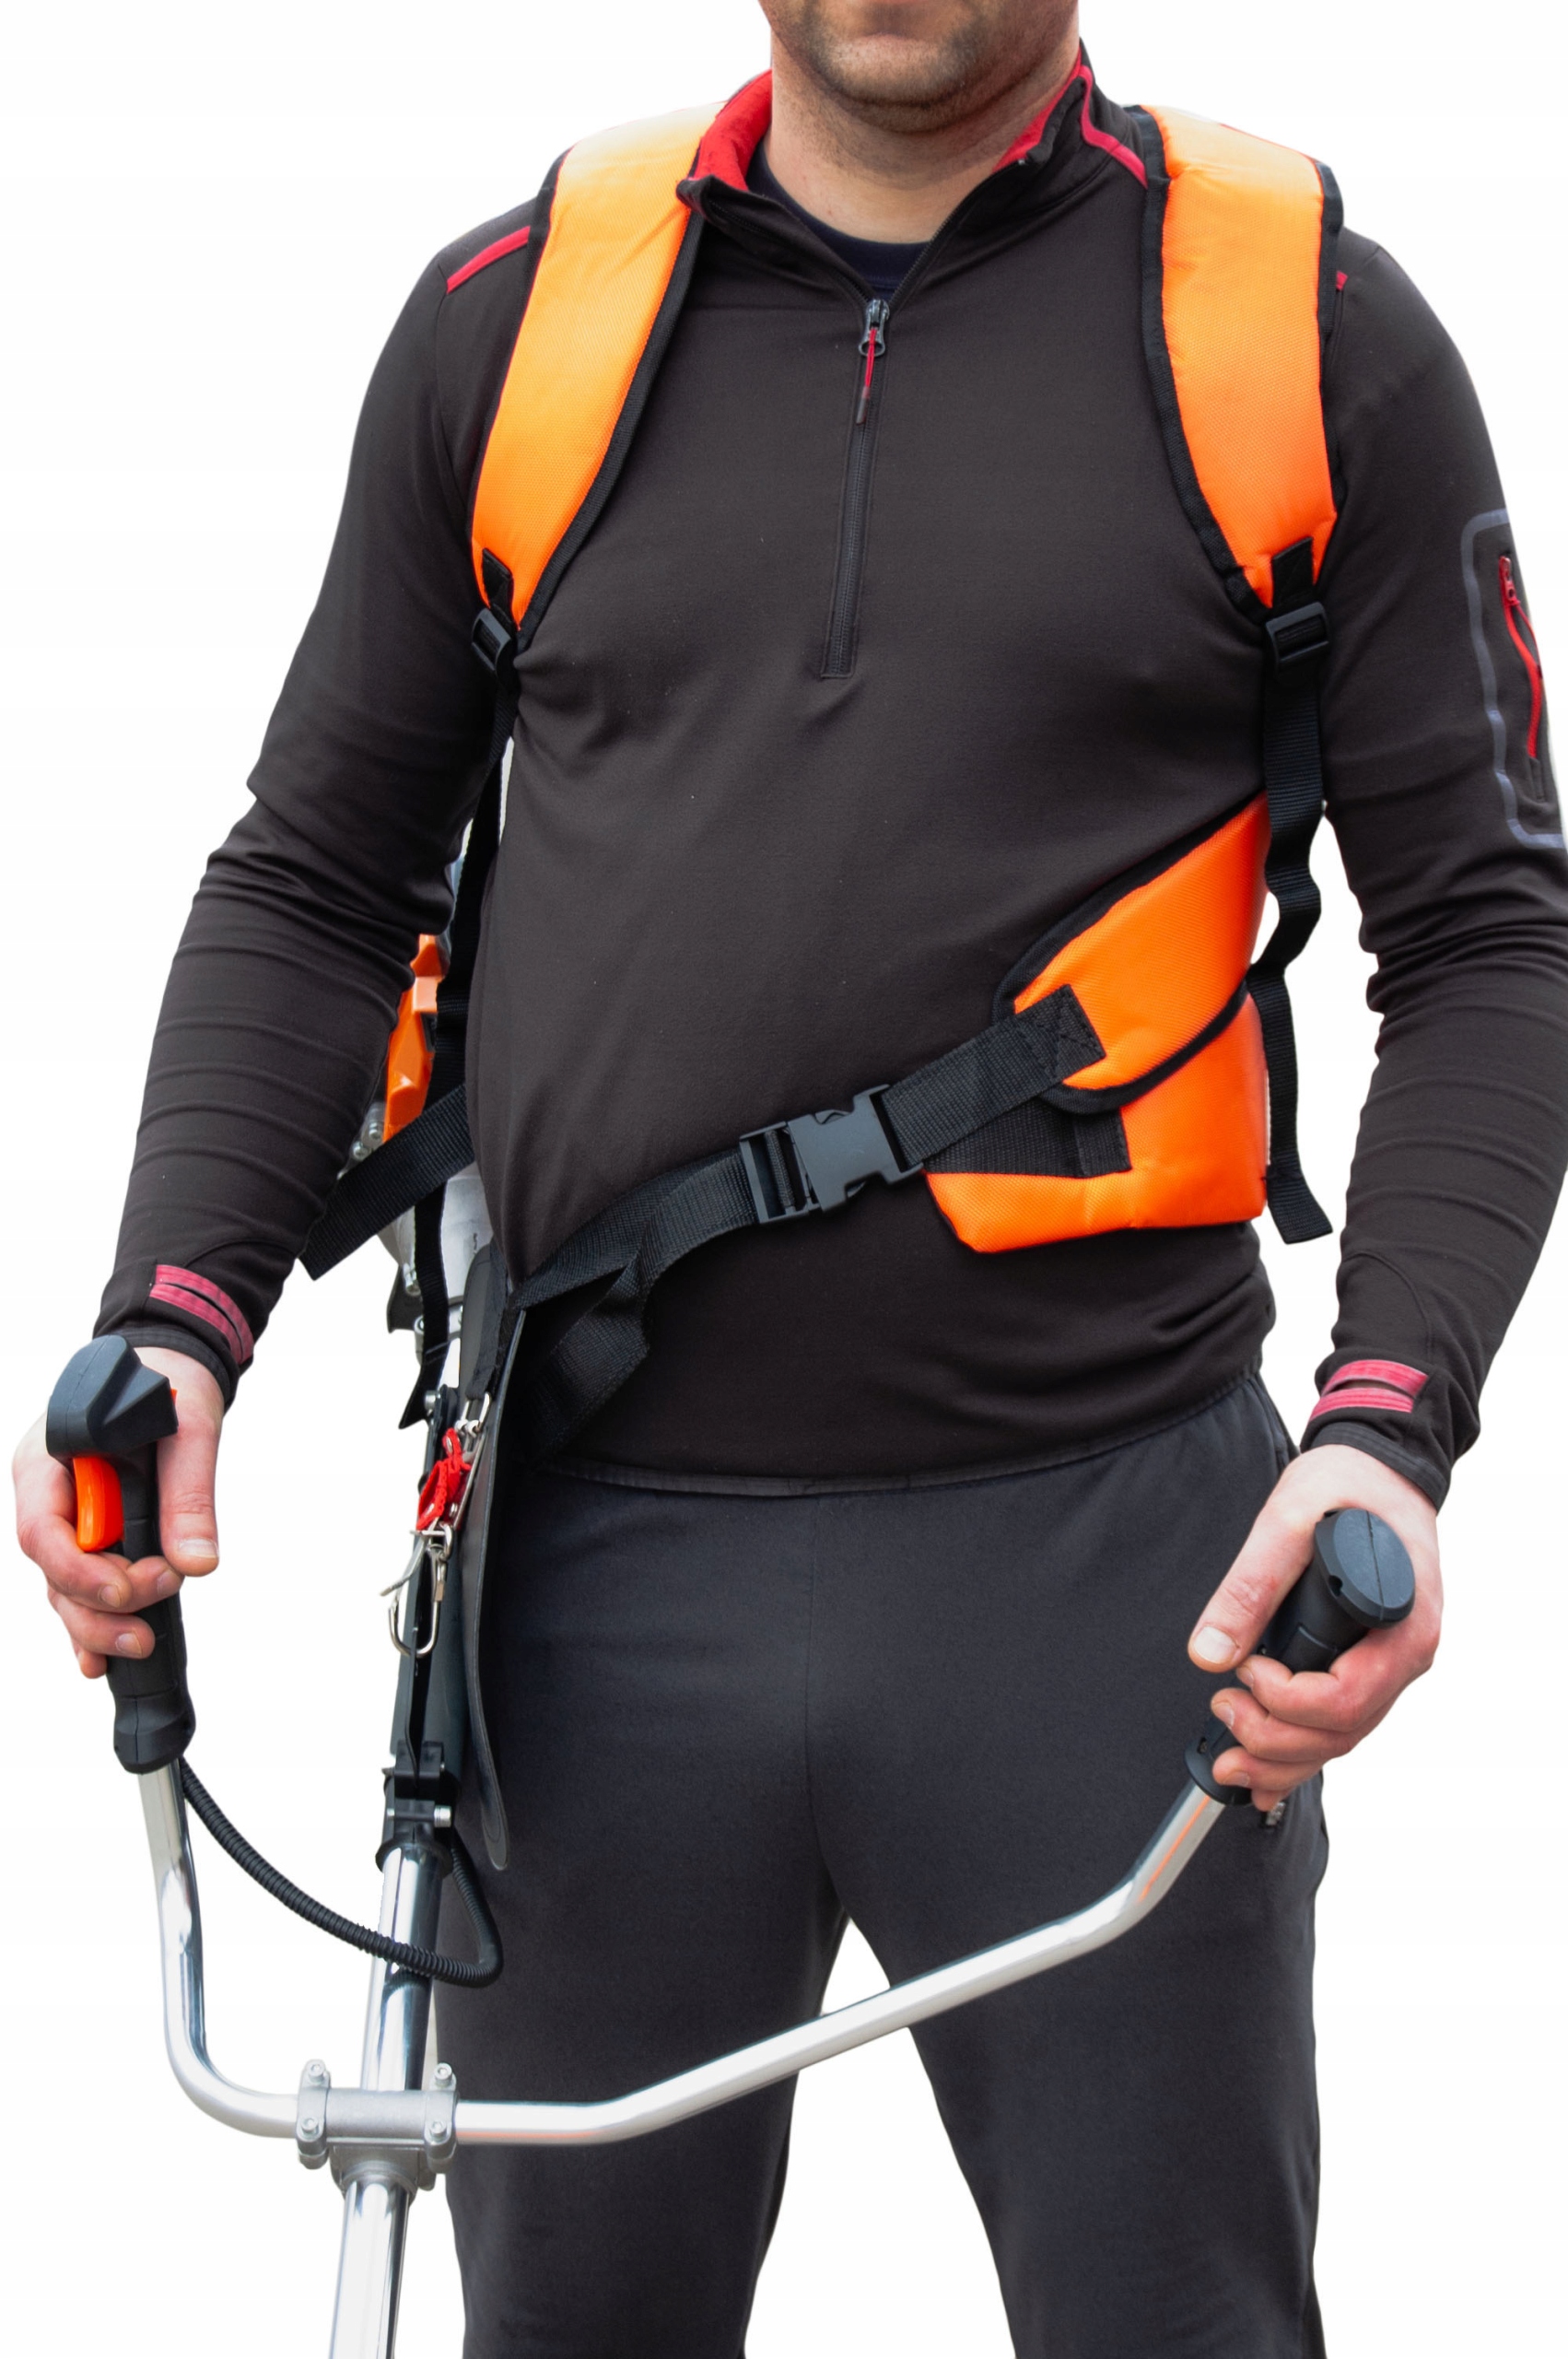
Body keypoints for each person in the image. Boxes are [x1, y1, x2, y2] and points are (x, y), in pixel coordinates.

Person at [13, 1, 1568, 2350]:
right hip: (589, 1592)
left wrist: (1389, 1428)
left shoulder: (1300, 322)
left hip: (1116, 1594)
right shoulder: (520, 317)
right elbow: (319, 877)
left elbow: (1485, 931)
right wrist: (175, 1307)